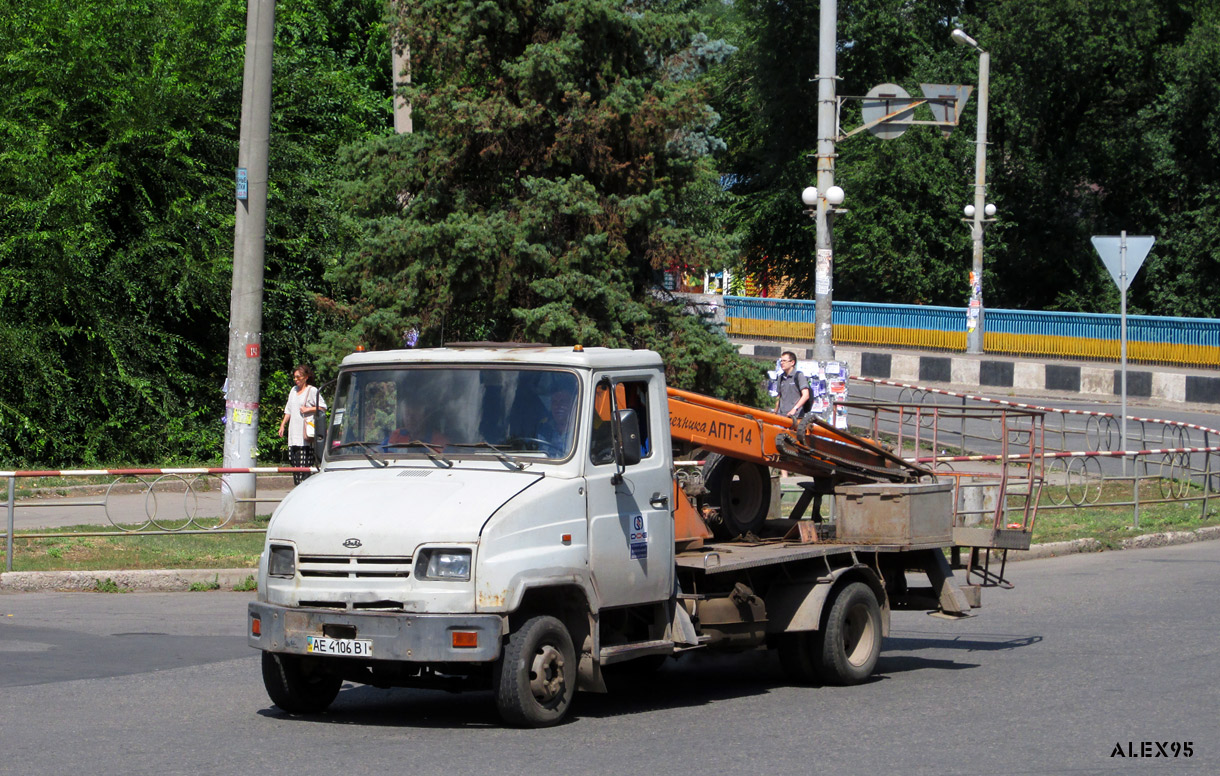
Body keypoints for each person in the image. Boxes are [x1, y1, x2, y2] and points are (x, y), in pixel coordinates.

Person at [278, 364, 326, 484]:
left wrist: (308, 410)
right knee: (294, 462)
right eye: (294, 377)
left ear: (306, 377)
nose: (296, 380)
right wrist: (283, 425)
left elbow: (323, 407)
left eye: (298, 377)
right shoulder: (293, 391)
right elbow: (288, 410)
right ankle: (297, 486)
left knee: (304, 466)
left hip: (305, 436)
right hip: (293, 433)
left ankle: (304, 487)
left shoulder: (312, 390)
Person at [773, 351, 811, 420]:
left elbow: (806, 395)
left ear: (792, 362)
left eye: (784, 361)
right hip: (782, 417)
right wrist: (775, 411)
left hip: (795, 417)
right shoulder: (781, 377)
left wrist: (794, 409)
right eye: (781, 361)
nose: (782, 363)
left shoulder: (799, 376)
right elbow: (778, 396)